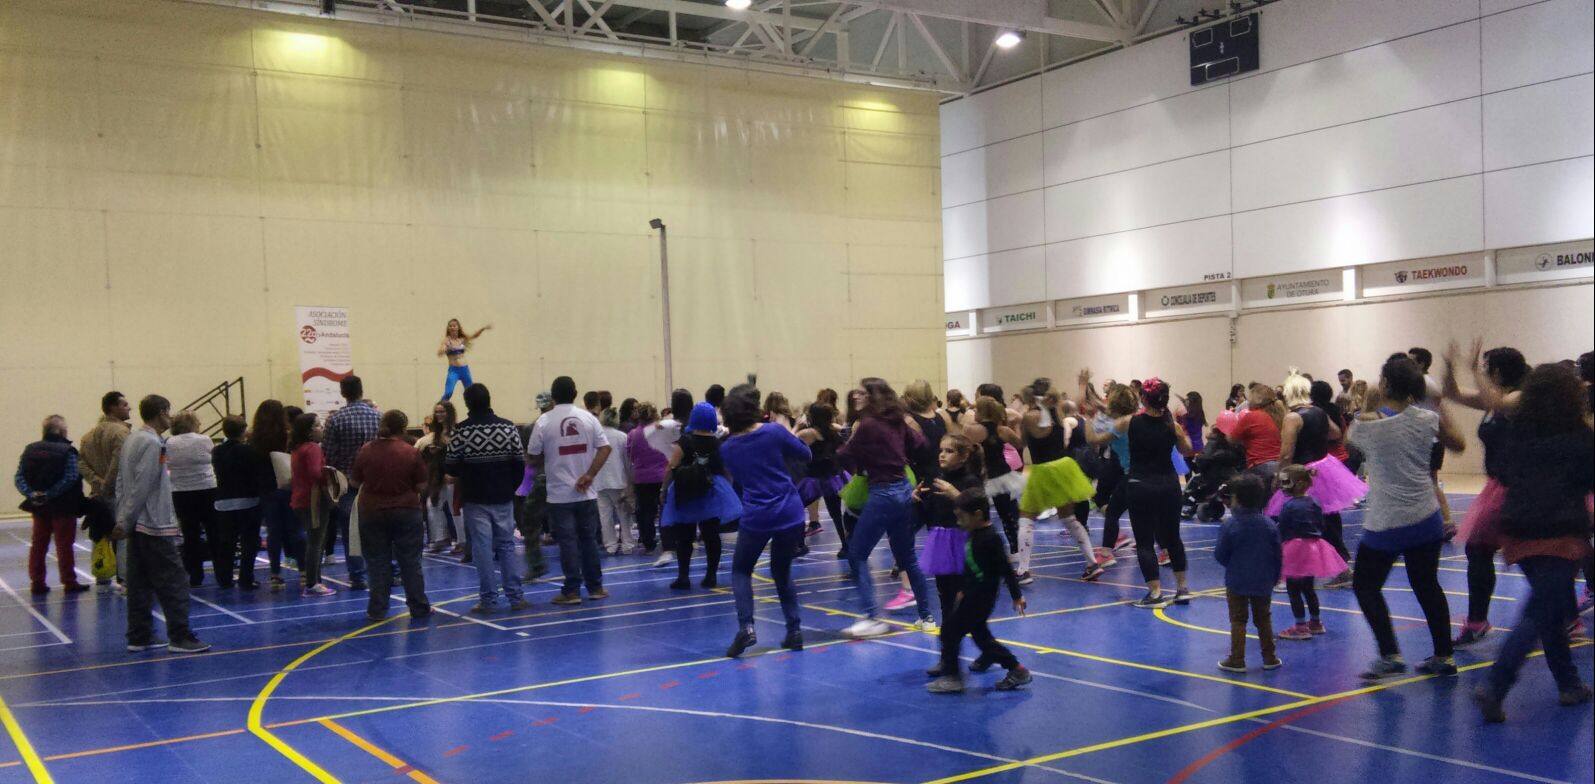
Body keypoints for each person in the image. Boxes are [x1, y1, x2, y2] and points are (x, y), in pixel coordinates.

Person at [1473, 363, 1594, 721]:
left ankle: (1569, 684)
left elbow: (1502, 473)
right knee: (1539, 611)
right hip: (1560, 532)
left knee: (1549, 607)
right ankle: (1496, 683)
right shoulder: (1581, 438)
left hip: (1518, 529)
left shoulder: (1516, 434)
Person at [1346, 354, 1465, 680]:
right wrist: (1440, 404)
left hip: (1386, 521)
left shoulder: (1365, 427)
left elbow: (1351, 440)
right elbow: (1458, 444)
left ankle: (1389, 654)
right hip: (1426, 518)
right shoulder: (1427, 419)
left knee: (1366, 585)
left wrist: (1369, 402)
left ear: (1384, 385)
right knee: (1427, 585)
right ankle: (1444, 656)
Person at [1443, 341, 1529, 647]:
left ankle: (1567, 617)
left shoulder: (1521, 397)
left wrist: (1472, 369)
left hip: (1522, 489)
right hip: (1498, 487)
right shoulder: (1493, 400)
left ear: (1499, 372)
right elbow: (1452, 393)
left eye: (1486, 369)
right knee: (1478, 550)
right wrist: (1450, 366)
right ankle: (1477, 621)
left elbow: (1498, 402)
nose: (1482, 373)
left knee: (1534, 557)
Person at [838, 378, 935, 637]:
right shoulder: (896, 420)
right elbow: (921, 445)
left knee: (856, 554)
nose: (856, 396)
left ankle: (872, 617)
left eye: (862, 392)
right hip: (903, 489)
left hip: (883, 493)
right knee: (907, 556)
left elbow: (846, 456)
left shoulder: (868, 424)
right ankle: (926, 616)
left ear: (873, 396)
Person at [720, 384, 811, 657]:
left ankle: (746, 627)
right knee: (781, 571)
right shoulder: (774, 432)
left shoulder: (727, 448)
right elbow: (805, 454)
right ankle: (794, 630)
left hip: (757, 515)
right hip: (790, 512)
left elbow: (738, 479)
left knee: (741, 570)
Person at [1088, 378, 1194, 608]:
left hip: (1140, 484)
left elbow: (1095, 440)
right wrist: (1180, 431)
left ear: (1143, 398)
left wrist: (1088, 419)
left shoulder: (1128, 422)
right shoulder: (1172, 425)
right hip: (1169, 485)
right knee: (1173, 538)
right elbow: (1187, 450)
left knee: (1145, 541)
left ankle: (1155, 594)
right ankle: (1182, 588)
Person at [115, 395, 210, 653]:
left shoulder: (132, 438)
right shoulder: (152, 443)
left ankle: (139, 635)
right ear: (161, 413)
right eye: (168, 412)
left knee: (139, 582)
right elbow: (142, 484)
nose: (170, 417)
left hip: (138, 523)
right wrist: (126, 519)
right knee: (175, 580)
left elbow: (122, 481)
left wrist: (124, 516)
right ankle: (180, 636)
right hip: (153, 523)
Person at [926, 490, 1032, 694]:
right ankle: (1016, 669)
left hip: (981, 596)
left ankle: (952, 677)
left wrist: (1017, 595)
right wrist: (962, 589)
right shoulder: (973, 533)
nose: (959, 522)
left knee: (949, 632)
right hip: (972, 593)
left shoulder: (991, 539)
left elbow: (1006, 569)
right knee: (981, 636)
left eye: (962, 517)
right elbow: (970, 565)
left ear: (977, 514)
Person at [527, 376, 611, 605]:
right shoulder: (588, 418)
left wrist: (549, 460)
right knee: (588, 541)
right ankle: (596, 587)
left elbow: (533, 455)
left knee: (568, 543)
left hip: (559, 494)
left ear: (553, 397)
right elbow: (605, 448)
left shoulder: (544, 421)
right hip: (586, 492)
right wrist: (589, 475)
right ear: (575, 394)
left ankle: (571, 591)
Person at [448, 383, 530, 613]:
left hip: (475, 497)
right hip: (503, 495)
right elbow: (519, 463)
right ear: (489, 400)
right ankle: (516, 597)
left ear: (467, 404)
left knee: (482, 548)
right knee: (506, 545)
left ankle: (488, 600)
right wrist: (510, 487)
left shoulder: (461, 431)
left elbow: (451, 466)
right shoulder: (508, 427)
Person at [1015, 380, 1099, 584]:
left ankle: (1022, 570)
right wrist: (1082, 385)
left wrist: (1010, 427)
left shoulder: (1030, 416)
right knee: (1069, 518)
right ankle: (1092, 563)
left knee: (1026, 518)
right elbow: (1076, 406)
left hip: (1044, 470)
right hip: (1063, 467)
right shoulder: (1058, 411)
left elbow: (1021, 442)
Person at [352, 410, 432, 622]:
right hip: (406, 510)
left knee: (377, 562)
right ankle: (418, 606)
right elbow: (422, 486)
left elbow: (355, 481)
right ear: (403, 428)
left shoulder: (366, 450)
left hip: (372, 511)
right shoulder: (410, 452)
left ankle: (377, 610)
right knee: (411, 561)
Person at [659, 403, 741, 590]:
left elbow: (671, 467)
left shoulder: (685, 441)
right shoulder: (718, 444)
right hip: (711, 492)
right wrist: (727, 488)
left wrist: (663, 489)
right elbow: (727, 470)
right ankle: (711, 575)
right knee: (711, 535)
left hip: (686, 490)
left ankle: (683, 577)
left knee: (684, 536)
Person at [1214, 473, 1282, 673]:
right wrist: (1275, 576)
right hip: (1263, 579)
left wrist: (1232, 565)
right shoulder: (1269, 524)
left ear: (1236, 498)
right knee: (1264, 618)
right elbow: (1278, 554)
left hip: (1237, 578)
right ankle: (1270, 657)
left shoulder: (1230, 525)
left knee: (1238, 620)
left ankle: (1237, 659)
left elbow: (1220, 554)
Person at [916, 434, 987, 624]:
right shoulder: (938, 480)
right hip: (941, 540)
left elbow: (979, 510)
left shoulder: (971, 481)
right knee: (944, 590)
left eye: (949, 451)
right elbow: (930, 513)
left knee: (963, 589)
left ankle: (968, 623)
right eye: (941, 450)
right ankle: (948, 625)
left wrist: (955, 494)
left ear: (963, 456)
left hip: (964, 541)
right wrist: (917, 499)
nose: (942, 455)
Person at [14, 415, 88, 595]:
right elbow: (71, 477)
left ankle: (37, 582)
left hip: (39, 507)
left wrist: (32, 494)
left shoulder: (30, 449)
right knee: (64, 545)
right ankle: (69, 581)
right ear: (62, 431)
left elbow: (19, 477)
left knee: (38, 544)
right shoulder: (68, 451)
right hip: (63, 506)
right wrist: (50, 494)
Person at [1273, 466, 1347, 641]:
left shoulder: (1289, 505)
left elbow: (1283, 527)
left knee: (1293, 589)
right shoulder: (1314, 502)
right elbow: (1321, 525)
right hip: (1314, 548)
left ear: (1298, 483)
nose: (1282, 486)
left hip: (1294, 549)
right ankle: (1315, 622)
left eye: (1285, 482)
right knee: (1308, 588)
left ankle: (1300, 627)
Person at [322, 376, 376, 589]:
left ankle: (358, 576)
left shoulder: (335, 420)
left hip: (347, 483)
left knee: (350, 532)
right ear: (362, 390)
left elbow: (328, 455)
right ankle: (388, 571)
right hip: (375, 483)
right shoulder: (379, 416)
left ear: (343, 393)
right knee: (379, 529)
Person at [80, 391, 132, 593]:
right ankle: (126, 578)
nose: (129, 408)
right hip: (118, 492)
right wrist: (107, 485)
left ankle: (101, 575)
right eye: (124, 404)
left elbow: (81, 463)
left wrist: (96, 482)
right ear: (112, 408)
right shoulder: (121, 433)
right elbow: (119, 462)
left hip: (98, 494)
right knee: (123, 534)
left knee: (100, 534)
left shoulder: (87, 436)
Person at [211, 415, 270, 590]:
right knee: (249, 542)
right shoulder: (249, 451)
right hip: (247, 500)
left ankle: (224, 578)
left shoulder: (217, 451)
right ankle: (246, 578)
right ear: (243, 431)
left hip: (224, 501)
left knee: (226, 542)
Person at [966, 396, 1025, 571]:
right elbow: (1020, 443)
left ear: (981, 412)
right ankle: (1015, 549)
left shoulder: (974, 430)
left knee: (981, 517)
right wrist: (1017, 426)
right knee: (1008, 515)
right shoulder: (1002, 430)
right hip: (1001, 475)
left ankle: (985, 552)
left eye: (976, 410)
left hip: (986, 477)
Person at [251, 400, 300, 593]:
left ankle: (275, 574)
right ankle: (305, 572)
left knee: (274, 532)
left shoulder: (254, 439)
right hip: (287, 486)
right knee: (294, 530)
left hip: (266, 488)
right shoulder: (288, 437)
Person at [166, 411, 219, 587]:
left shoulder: (169, 443)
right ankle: (222, 573)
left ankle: (195, 575)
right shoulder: (204, 440)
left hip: (181, 492)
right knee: (214, 533)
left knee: (190, 536)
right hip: (207, 489)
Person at [1408, 346, 1455, 534]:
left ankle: (1446, 521)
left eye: (1412, 361)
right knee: (1425, 482)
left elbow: (1437, 402)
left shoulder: (1424, 383)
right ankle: (1438, 521)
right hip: (1426, 437)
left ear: (1421, 363)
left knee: (1429, 482)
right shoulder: (1422, 382)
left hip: (1429, 440)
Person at [289, 413, 337, 598]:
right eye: (318, 425)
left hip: (301, 498)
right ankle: (312, 583)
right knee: (316, 542)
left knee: (314, 540)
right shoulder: (312, 448)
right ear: (309, 431)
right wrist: (332, 478)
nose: (321, 428)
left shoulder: (298, 448)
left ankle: (315, 579)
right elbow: (316, 473)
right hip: (313, 500)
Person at [795, 403, 849, 552]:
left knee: (797, 507)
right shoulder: (832, 431)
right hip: (832, 476)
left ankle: (800, 544)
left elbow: (789, 441)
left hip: (813, 477)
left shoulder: (809, 433)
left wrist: (796, 426)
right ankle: (845, 545)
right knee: (836, 513)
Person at [416, 401, 458, 555]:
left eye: (442, 411)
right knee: (432, 505)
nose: (439, 414)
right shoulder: (434, 435)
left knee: (455, 509)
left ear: (449, 413)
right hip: (436, 475)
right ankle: (440, 538)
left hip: (452, 475)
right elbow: (419, 448)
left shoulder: (456, 432)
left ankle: (461, 541)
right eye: (437, 411)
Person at [626, 402, 666, 557]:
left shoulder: (633, 434)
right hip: (662, 476)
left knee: (645, 512)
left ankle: (648, 543)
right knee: (665, 510)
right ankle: (668, 541)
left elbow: (630, 456)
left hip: (642, 477)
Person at [595, 408, 635, 556]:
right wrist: (630, 481)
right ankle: (627, 544)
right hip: (619, 480)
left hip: (599, 481)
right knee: (624, 514)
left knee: (605, 516)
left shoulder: (595, 436)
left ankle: (610, 545)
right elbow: (627, 461)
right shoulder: (622, 437)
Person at [1232, 383, 1284, 486]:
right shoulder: (1280, 416)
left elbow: (1232, 439)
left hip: (1260, 465)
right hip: (1280, 466)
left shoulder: (1251, 416)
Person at [438, 319, 491, 401]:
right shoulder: (447, 340)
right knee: (448, 393)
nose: (452, 327)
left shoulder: (462, 339)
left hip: (464, 369)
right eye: (450, 326)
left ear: (458, 327)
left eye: (454, 326)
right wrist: (443, 349)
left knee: (471, 392)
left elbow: (474, 336)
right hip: (454, 370)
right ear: (448, 328)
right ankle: (441, 405)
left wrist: (482, 329)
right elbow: (440, 350)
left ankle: (475, 407)